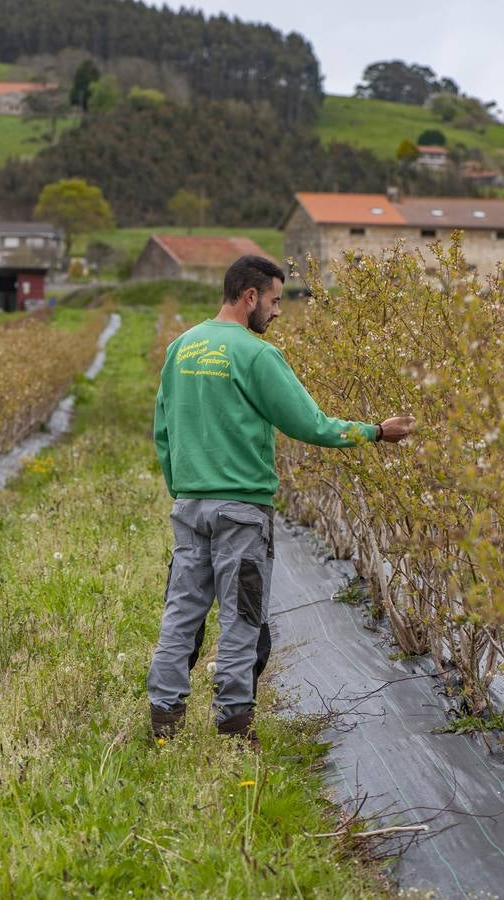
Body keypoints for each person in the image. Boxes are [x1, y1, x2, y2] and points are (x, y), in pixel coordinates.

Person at [148, 255, 415, 746]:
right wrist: (375, 432)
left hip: (189, 507)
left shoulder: (181, 349)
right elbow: (309, 424)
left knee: (181, 612)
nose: (277, 311)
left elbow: (163, 432)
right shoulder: (255, 355)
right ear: (249, 297)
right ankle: (233, 726)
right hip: (242, 512)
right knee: (241, 616)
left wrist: (183, 486)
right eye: (273, 301)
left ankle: (164, 719)